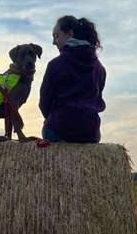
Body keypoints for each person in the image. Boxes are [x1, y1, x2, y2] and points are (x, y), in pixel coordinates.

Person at [39, 15, 106, 143]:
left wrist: (54, 120)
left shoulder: (55, 65)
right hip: (91, 133)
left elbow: (44, 102)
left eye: (56, 36)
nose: (53, 42)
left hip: (58, 130)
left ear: (70, 34)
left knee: (49, 129)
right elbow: (97, 99)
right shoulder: (100, 69)